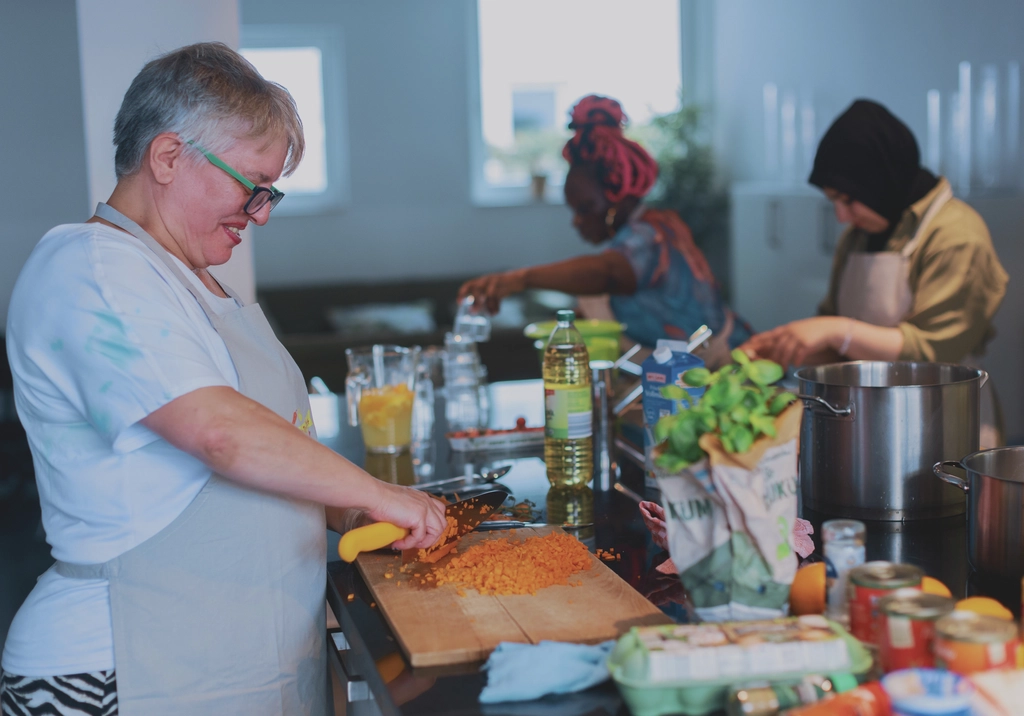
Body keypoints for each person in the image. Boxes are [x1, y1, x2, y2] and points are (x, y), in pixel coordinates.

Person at [0, 43, 445, 716]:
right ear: (169, 157)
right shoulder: (91, 268)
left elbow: (275, 453)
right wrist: (379, 490)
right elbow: (218, 434)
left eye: (272, 191)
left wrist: (354, 509)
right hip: (123, 667)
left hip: (234, 659)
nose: (261, 212)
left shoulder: (191, 281)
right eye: (252, 185)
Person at [743, 99, 1008, 445]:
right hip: (871, 425)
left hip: (944, 425)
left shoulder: (956, 235)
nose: (840, 216)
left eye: (847, 200)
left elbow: (934, 354)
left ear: (879, 181)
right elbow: (838, 344)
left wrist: (834, 329)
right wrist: (785, 347)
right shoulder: (860, 236)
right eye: (832, 202)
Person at [459, 95, 750, 366]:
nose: (577, 221)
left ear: (617, 198)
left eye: (586, 208)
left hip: (726, 368)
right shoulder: (633, 238)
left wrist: (519, 279)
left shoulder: (651, 235)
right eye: (574, 210)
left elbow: (606, 273)